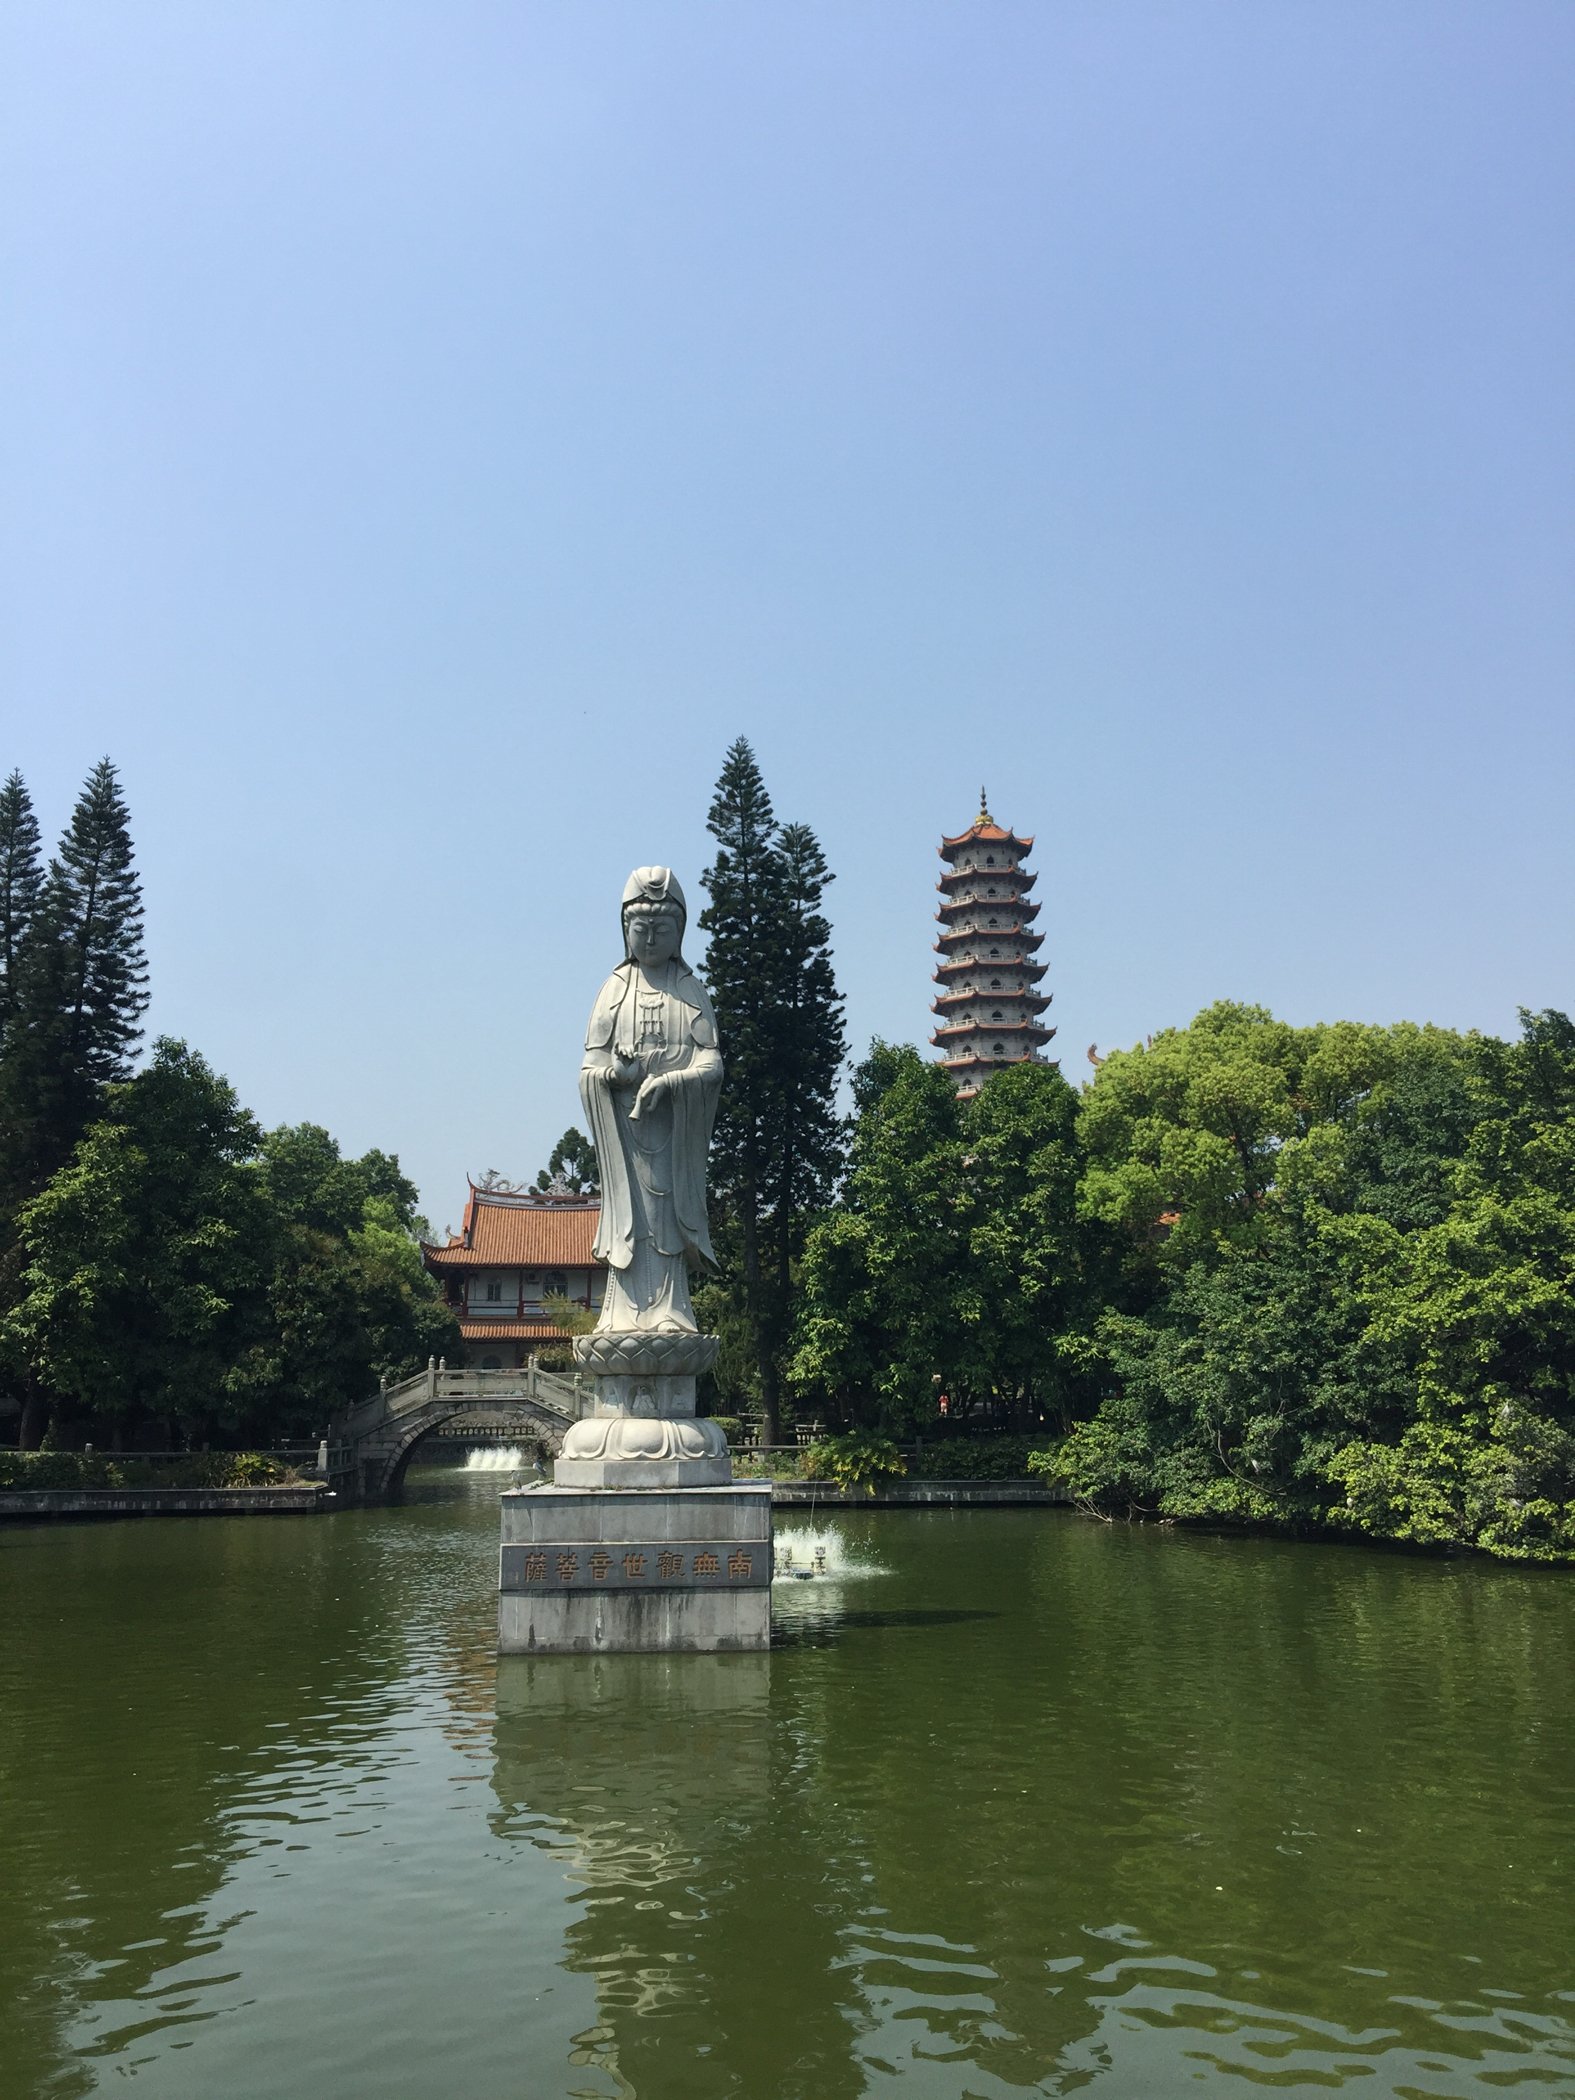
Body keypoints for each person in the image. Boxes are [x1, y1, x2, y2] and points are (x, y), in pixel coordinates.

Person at [579, 867, 722, 1334]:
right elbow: (588, 1072)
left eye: (662, 928)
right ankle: (620, 1314)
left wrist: (671, 1082)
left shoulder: (690, 991)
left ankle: (671, 1310)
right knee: (633, 1222)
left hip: (672, 1137)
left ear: (680, 931)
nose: (651, 937)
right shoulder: (613, 992)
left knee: (665, 1222)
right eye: (641, 928)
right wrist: (617, 1076)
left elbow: (711, 1066)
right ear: (625, 930)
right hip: (625, 1137)